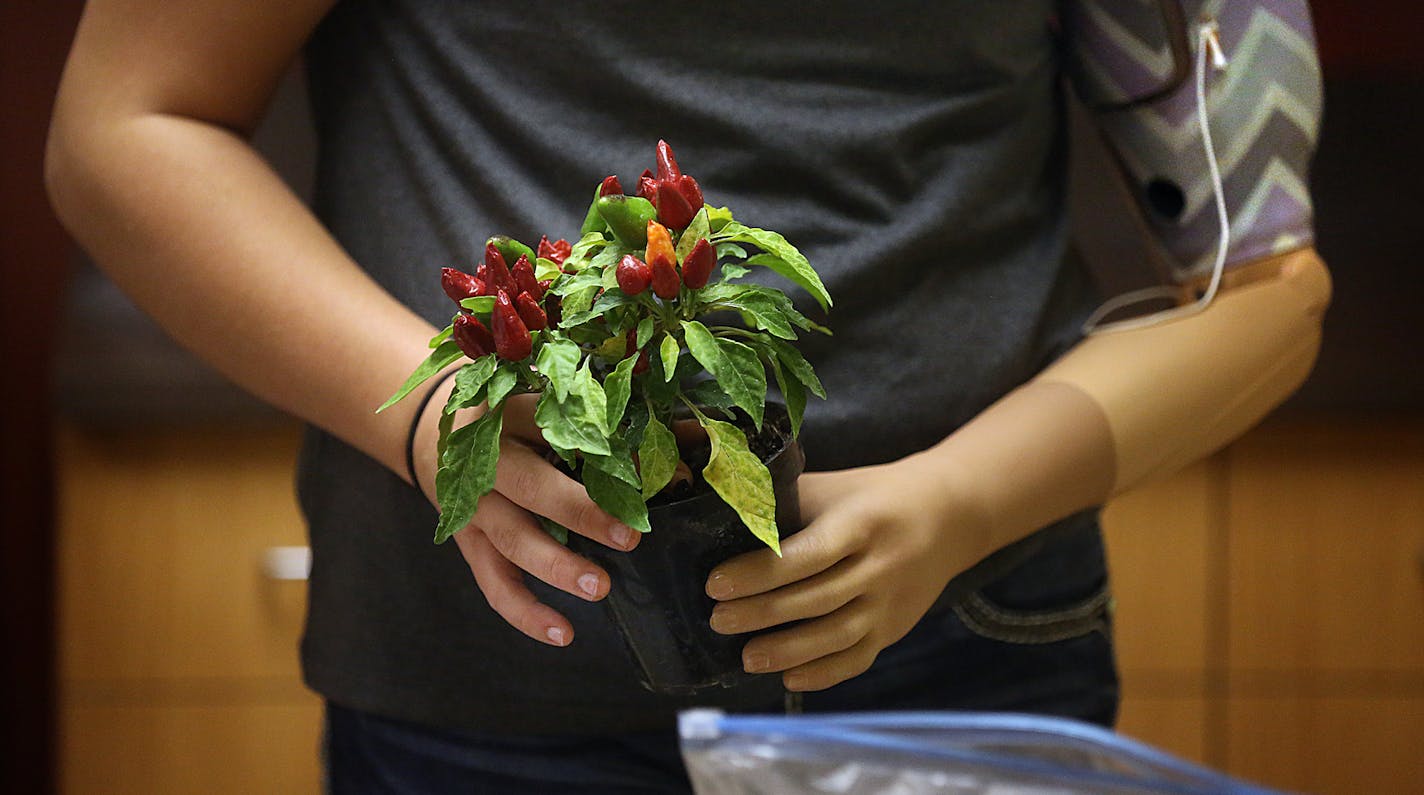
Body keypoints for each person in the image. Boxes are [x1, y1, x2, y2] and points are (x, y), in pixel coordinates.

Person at [46, 1, 1329, 791]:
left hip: (958, 653)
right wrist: (435, 420)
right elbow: (129, 121)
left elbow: (1267, 284)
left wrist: (954, 502)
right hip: (483, 687)